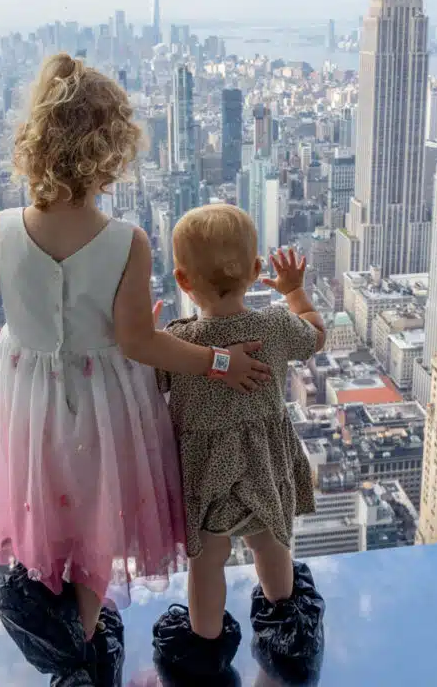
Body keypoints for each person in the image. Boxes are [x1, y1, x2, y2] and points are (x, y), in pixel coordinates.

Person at [0, 55, 269, 687]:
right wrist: (219, 360)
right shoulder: (126, 241)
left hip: (28, 401)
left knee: (52, 507)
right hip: (108, 400)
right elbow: (140, 342)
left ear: (32, 139)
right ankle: (83, 636)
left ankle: (63, 634)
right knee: (97, 510)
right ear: (113, 150)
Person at [151, 204, 327, 682]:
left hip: (205, 470)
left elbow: (146, 377)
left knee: (208, 558)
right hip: (264, 463)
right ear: (255, 271)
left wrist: (142, 333)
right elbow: (316, 335)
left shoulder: (180, 341)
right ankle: (286, 626)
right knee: (270, 541)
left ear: (184, 282)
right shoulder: (273, 326)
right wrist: (293, 291)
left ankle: (203, 647)